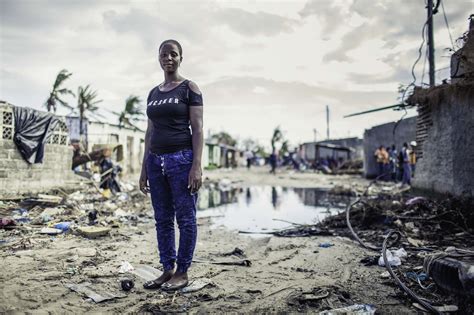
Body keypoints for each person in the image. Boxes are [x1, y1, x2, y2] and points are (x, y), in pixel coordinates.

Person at [139, 39, 204, 292]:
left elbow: (198, 129)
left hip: (181, 160)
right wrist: (145, 166)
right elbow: (149, 131)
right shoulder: (153, 93)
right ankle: (167, 269)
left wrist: (196, 166)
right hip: (156, 161)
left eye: (173, 54)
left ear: (180, 58)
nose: (168, 58)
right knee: (162, 219)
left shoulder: (189, 88)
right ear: (158, 58)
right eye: (164, 54)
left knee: (186, 219)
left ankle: (183, 271)